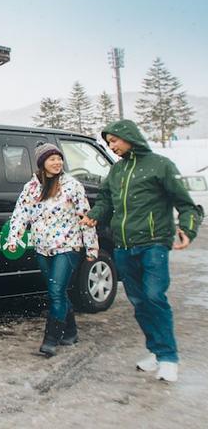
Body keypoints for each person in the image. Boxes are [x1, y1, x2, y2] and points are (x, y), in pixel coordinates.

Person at [81, 120, 201, 383]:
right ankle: (156, 352)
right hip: (124, 246)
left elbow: (187, 205)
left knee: (154, 296)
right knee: (139, 302)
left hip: (154, 243)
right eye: (109, 142)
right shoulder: (117, 171)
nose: (111, 146)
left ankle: (169, 358)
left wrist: (188, 230)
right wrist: (94, 216)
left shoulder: (160, 166)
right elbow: (105, 201)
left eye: (114, 141)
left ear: (129, 137)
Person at [7, 143, 98, 357]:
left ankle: (51, 339)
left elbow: (86, 217)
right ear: (42, 163)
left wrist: (91, 246)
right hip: (42, 247)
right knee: (57, 291)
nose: (57, 163)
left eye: (59, 158)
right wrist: (14, 237)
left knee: (56, 292)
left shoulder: (72, 185)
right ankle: (71, 332)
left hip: (67, 246)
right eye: (52, 159)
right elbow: (21, 213)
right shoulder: (31, 187)